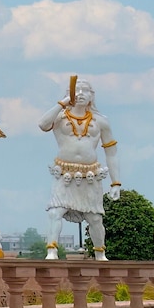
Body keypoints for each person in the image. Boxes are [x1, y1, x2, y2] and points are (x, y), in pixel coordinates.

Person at [38, 78, 120, 260]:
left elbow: (112, 153)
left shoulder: (101, 121)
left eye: (85, 90)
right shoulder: (59, 117)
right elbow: (43, 124)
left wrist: (116, 183)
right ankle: (51, 251)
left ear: (92, 96)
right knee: (55, 212)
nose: (81, 94)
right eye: (77, 90)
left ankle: (100, 254)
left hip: (90, 175)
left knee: (95, 219)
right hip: (64, 173)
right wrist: (63, 103)